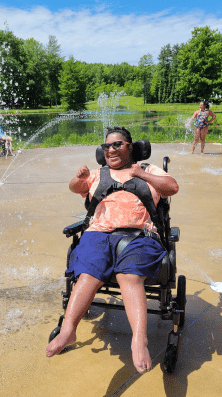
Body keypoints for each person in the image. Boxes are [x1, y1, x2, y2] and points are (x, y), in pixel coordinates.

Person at [46, 127, 179, 374]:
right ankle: (68, 330)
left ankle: (139, 339)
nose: (110, 150)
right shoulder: (98, 174)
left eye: (117, 145)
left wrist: (141, 174)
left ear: (130, 147)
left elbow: (172, 187)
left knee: (129, 276)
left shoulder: (148, 170)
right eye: (106, 147)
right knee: (88, 274)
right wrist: (80, 177)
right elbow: (76, 187)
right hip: (99, 234)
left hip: (139, 235)